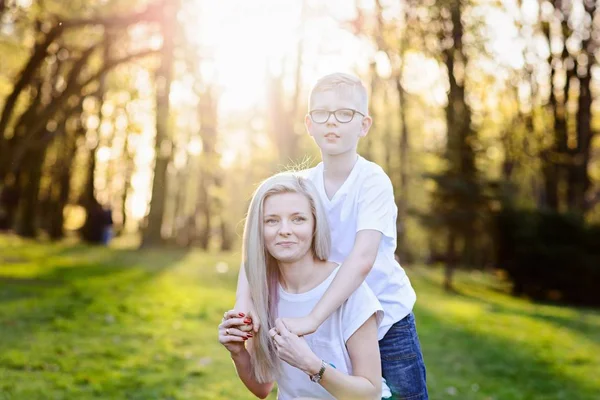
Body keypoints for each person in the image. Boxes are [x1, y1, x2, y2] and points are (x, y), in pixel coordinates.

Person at [236, 73, 428, 399]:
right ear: (309, 125)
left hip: (386, 319)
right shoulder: (303, 186)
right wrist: (243, 305)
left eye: (345, 114)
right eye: (322, 114)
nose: (332, 123)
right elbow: (256, 246)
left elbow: (363, 259)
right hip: (337, 317)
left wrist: (312, 318)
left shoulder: (372, 181)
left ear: (364, 125)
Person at [219, 173, 385, 399]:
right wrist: (237, 352)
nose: (284, 230)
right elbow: (262, 388)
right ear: (259, 229)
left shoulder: (350, 292)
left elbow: (371, 393)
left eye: (298, 219)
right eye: (272, 220)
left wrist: (313, 365)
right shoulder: (262, 293)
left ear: (315, 224)